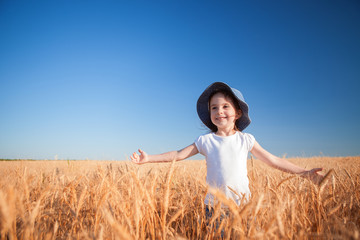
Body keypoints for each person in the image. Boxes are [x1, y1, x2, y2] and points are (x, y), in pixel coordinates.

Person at [130, 82, 323, 207]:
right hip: (213, 207)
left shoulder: (246, 140)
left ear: (238, 113)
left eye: (225, 106)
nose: (219, 111)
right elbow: (178, 154)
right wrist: (149, 159)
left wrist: (304, 173)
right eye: (214, 108)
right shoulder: (205, 141)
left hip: (243, 205)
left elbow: (273, 160)